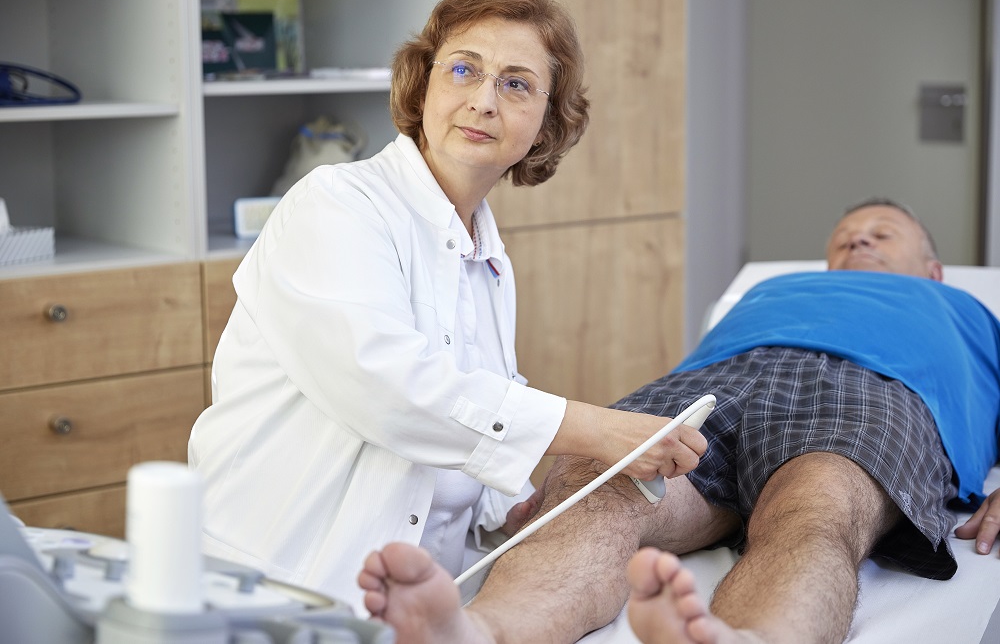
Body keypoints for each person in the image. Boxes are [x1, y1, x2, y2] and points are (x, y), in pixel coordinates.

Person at [187, 0, 705, 614]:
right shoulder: (337, 205)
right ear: (422, 83)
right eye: (464, 69)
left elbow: (472, 417)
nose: (484, 101)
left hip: (413, 598)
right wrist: (597, 430)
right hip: (282, 585)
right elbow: (389, 390)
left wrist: (505, 509)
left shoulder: (484, 254)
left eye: (516, 84)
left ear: (546, 121)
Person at [357, 197, 1000, 644]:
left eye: (882, 232)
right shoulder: (770, 290)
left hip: (874, 389)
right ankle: (486, 629)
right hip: (715, 381)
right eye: (845, 234)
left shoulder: (967, 312)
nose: (857, 238)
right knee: (600, 477)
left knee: (816, 506)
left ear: (934, 270)